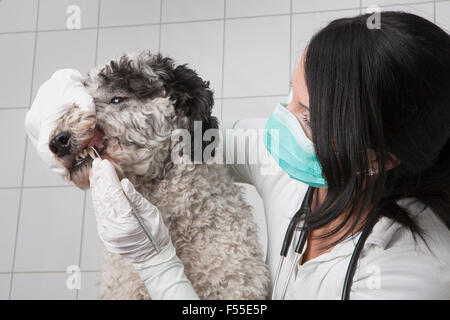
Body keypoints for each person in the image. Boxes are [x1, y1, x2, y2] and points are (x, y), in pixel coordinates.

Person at [25, 12, 450, 299]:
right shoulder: (289, 163)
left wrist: (156, 264)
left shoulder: (411, 275)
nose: (280, 120)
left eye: (306, 116)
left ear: (376, 157)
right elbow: (183, 137)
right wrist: (74, 123)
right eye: (292, 97)